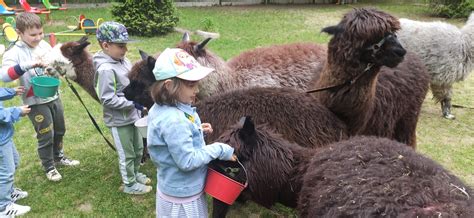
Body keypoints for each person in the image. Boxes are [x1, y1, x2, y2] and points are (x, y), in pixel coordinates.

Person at [148, 48, 237, 217]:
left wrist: (196, 130)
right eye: (191, 85)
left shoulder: (164, 108)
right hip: (184, 197)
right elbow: (187, 160)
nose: (197, 90)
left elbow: (172, 140)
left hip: (173, 186)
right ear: (169, 86)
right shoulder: (174, 121)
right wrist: (220, 149)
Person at [1, 12, 79, 182]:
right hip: (35, 102)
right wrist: (28, 65)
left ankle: (58, 157)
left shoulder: (43, 45)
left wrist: (59, 67)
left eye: (40, 33)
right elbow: (5, 76)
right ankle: (49, 166)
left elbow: (55, 63)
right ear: (19, 33)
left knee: (60, 130)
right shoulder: (14, 53)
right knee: (46, 134)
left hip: (53, 95)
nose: (37, 38)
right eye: (32, 35)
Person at [93, 21, 151, 195]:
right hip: (119, 121)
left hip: (133, 117)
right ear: (105, 45)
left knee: (138, 149)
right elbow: (107, 99)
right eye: (120, 46)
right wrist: (133, 104)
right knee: (127, 153)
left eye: (125, 45)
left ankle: (135, 173)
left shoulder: (123, 61)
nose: (125, 50)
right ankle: (129, 184)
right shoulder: (105, 70)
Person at [0, 86, 31, 216]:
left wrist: (11, 92)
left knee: (15, 162)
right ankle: (3, 207)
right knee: (6, 172)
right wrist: (17, 111)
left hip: (4, 135)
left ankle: (9, 192)